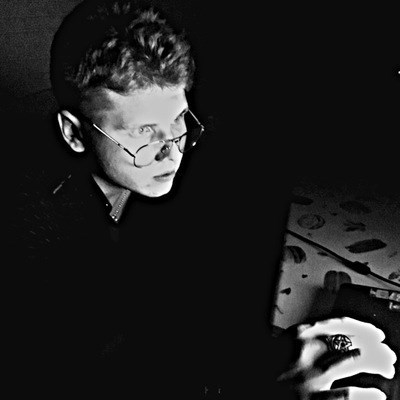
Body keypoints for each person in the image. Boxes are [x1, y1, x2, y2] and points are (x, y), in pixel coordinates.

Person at [6, 1, 397, 398]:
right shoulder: (31, 244)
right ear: (74, 134)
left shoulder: (167, 172)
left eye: (178, 119)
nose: (172, 150)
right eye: (143, 132)